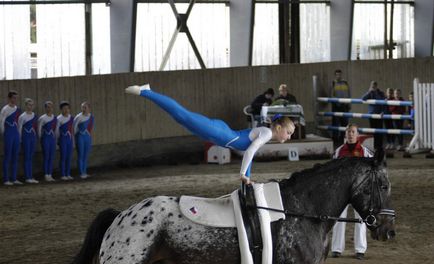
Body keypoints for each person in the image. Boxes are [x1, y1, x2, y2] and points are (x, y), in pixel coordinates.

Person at [125, 84, 295, 184]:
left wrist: (247, 179)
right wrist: (243, 174)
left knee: (181, 118)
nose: (288, 137)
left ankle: (148, 92)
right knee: (182, 115)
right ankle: (146, 91)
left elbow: (248, 154)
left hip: (218, 134)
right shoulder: (266, 132)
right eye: (288, 133)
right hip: (219, 133)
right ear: (278, 128)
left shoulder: (266, 133)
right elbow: (249, 152)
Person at [331, 123, 373, 260]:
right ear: (345, 134)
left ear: (357, 134)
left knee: (360, 220)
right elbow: (332, 172)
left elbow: (371, 171)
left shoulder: (365, 152)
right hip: (341, 191)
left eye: (353, 132)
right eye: (348, 132)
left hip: (358, 191)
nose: (350, 134)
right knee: (338, 220)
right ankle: (336, 249)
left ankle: (360, 250)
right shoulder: (338, 152)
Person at [1, 91, 22, 185]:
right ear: (9, 98)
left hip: (15, 133)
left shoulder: (18, 109)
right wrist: (3, 133)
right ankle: (6, 179)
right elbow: (1, 122)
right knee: (7, 156)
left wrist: (18, 134)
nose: (15, 100)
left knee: (15, 156)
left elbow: (18, 123)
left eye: (16, 98)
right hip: (8, 133)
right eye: (13, 98)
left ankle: (14, 178)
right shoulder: (5, 109)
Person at [18, 98, 39, 184]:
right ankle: (27, 177)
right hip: (26, 137)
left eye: (32, 105)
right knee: (27, 157)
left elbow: (35, 127)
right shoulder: (22, 116)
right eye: (29, 105)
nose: (30, 106)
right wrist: (20, 139)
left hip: (32, 137)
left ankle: (31, 176)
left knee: (31, 157)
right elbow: (19, 129)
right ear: (26, 105)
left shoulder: (34, 115)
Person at [362, 81, 387, 151]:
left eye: (374, 85)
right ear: (370, 86)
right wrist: (369, 92)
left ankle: (380, 146)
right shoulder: (369, 93)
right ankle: (375, 145)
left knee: (379, 130)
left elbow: (384, 103)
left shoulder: (381, 93)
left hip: (379, 114)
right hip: (371, 115)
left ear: (376, 86)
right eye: (372, 86)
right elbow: (363, 98)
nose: (373, 87)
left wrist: (383, 112)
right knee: (373, 130)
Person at [330, 69, 351, 145]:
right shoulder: (333, 83)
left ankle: (343, 139)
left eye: (340, 74)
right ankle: (335, 140)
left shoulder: (345, 83)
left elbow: (349, 93)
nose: (339, 76)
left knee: (345, 123)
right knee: (335, 123)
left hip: (345, 105)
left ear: (341, 75)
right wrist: (337, 102)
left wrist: (349, 103)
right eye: (337, 74)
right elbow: (331, 95)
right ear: (335, 75)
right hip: (336, 106)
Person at [73, 101, 94, 179]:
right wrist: (76, 137)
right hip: (80, 137)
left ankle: (85, 172)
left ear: (89, 108)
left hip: (87, 137)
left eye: (85, 107)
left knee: (86, 156)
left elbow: (91, 128)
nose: (84, 109)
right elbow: (74, 128)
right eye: (82, 107)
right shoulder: (78, 117)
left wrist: (89, 136)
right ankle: (81, 173)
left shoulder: (91, 116)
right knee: (81, 155)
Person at [38, 101, 57, 182]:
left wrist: (55, 139)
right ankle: (46, 174)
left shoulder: (55, 118)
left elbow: (56, 130)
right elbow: (38, 130)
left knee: (51, 157)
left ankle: (50, 174)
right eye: (48, 107)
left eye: (51, 107)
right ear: (45, 108)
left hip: (52, 139)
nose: (49, 109)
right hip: (45, 138)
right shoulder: (42, 118)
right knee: (46, 156)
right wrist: (40, 139)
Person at [56, 101, 74, 181]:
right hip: (63, 139)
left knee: (69, 157)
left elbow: (72, 130)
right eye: (64, 109)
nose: (66, 110)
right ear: (61, 110)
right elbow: (56, 131)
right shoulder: (59, 119)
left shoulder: (71, 118)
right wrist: (58, 140)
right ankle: (63, 174)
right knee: (63, 157)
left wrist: (72, 140)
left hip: (69, 139)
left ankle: (68, 173)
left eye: (67, 108)